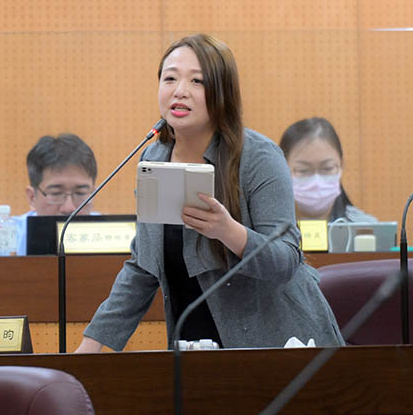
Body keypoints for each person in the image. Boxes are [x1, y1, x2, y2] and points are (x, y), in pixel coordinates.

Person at [75, 34, 343, 352]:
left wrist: (228, 231)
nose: (180, 90)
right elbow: (143, 267)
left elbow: (285, 262)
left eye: (197, 81)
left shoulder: (258, 157)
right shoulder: (154, 158)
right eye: (170, 78)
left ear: (222, 93)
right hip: (195, 344)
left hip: (277, 343)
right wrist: (90, 347)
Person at [0, 133, 98, 256]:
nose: (69, 208)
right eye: (56, 193)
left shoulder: (109, 235)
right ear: (32, 198)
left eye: (81, 193)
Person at [279, 117, 376, 224]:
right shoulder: (268, 230)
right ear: (283, 168)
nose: (316, 181)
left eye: (327, 168)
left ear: (341, 166)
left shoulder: (366, 227)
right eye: (303, 170)